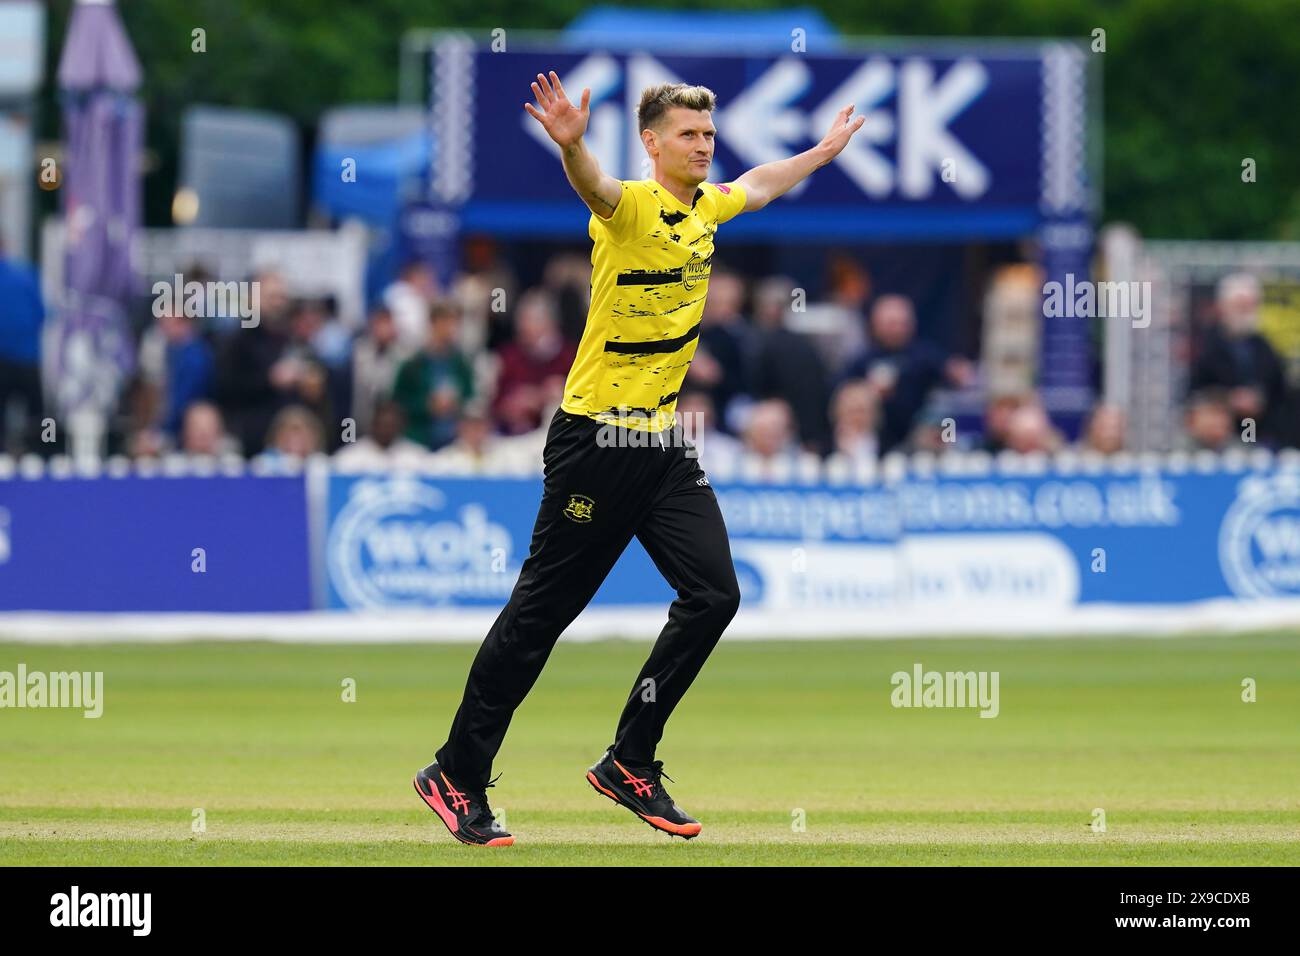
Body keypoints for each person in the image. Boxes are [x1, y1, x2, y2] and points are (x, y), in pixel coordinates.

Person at [413, 74, 865, 846]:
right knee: (540, 618)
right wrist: (573, 144)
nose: (704, 146)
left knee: (715, 594)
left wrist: (820, 153)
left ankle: (630, 759)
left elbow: (758, 183)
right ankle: (455, 773)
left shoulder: (708, 209)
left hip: (658, 445)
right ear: (652, 144)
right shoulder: (627, 208)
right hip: (595, 442)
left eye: (709, 136)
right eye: (689, 136)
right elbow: (591, 185)